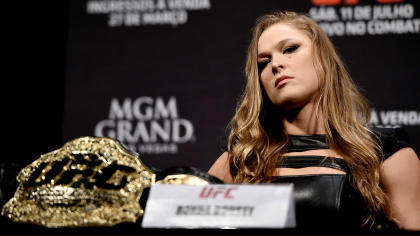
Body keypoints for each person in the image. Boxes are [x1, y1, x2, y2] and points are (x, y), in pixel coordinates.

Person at [208, 11, 420, 232]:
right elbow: (178, 216)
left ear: (323, 58)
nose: (276, 64)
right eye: (264, 62)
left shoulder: (385, 152)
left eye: (290, 49)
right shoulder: (242, 158)